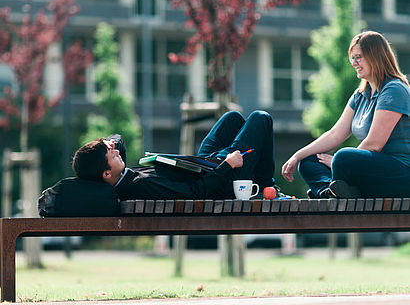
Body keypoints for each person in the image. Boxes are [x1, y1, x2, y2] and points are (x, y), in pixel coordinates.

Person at [282, 31, 410, 199]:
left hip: (400, 174)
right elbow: (335, 134)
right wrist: (297, 155)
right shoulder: (361, 94)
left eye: (358, 57)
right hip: (370, 172)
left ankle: (337, 190)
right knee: (309, 161)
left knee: (343, 157)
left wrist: (336, 162)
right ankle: (330, 192)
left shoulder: (394, 89)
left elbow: (374, 144)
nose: (354, 63)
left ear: (375, 56)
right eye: (352, 58)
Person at [72, 110, 284, 200]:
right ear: (106, 173)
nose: (117, 151)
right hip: (221, 179)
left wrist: (106, 143)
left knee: (233, 118)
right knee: (260, 118)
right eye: (112, 155)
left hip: (203, 168)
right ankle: (267, 186)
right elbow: (195, 192)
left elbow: (118, 140)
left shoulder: (120, 176)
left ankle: (265, 184)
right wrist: (227, 165)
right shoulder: (139, 184)